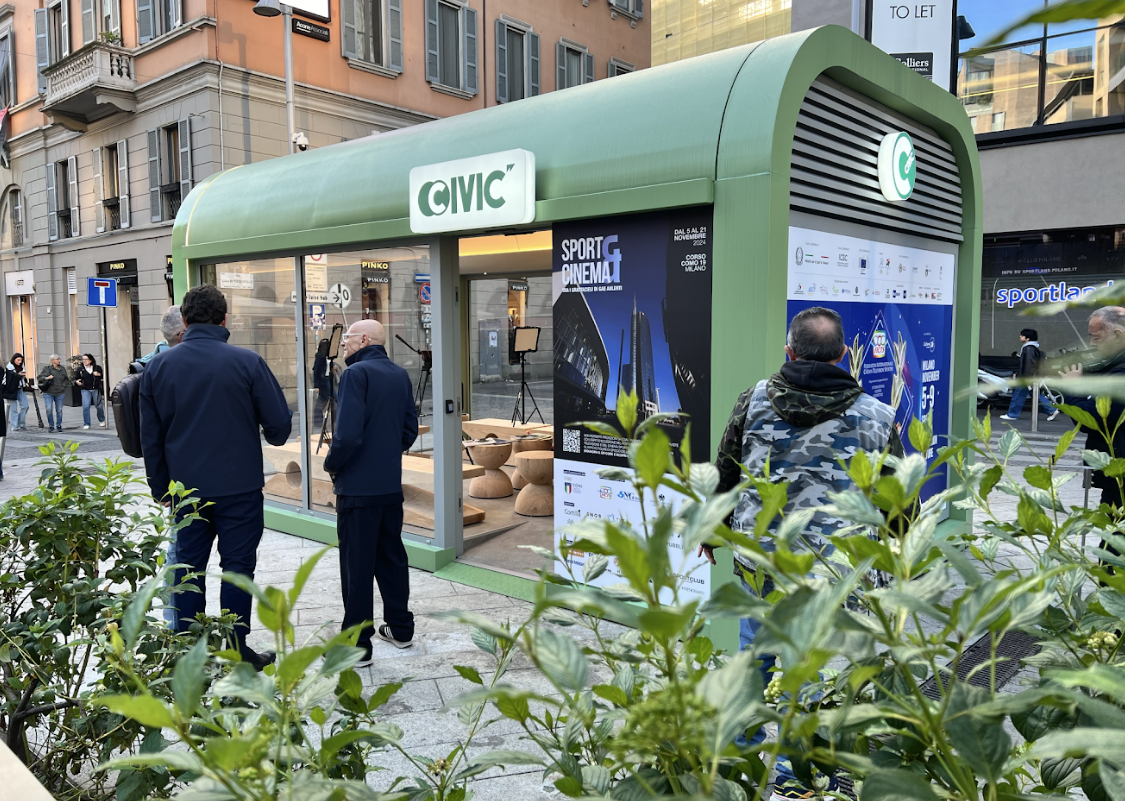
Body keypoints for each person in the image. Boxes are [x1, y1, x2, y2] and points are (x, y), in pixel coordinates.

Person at [700, 306, 901, 800]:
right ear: (844, 354)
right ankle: (798, 779)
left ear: (789, 351)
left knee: (755, 658)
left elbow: (726, 472)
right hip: (838, 570)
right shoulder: (877, 415)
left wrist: (709, 533)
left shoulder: (752, 402)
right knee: (815, 669)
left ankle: (739, 766)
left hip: (763, 564)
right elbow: (897, 501)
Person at [139, 284, 292, 669]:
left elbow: (150, 440)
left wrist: (162, 490)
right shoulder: (247, 363)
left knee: (188, 570)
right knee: (238, 570)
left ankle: (191, 656)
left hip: (185, 491)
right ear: (225, 320)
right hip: (239, 488)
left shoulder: (157, 367)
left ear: (185, 322)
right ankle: (237, 652)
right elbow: (279, 429)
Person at [323, 319, 418, 664]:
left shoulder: (355, 375)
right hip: (389, 486)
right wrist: (386, 451)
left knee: (357, 566)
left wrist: (331, 464)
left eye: (347, 339)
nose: (343, 345)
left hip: (358, 489)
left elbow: (346, 436)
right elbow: (409, 429)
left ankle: (358, 646)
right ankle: (401, 628)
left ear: (364, 340)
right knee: (392, 557)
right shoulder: (399, 375)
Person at [1059, 307, 1125, 507]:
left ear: (1117, 335)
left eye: (1096, 338)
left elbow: (1093, 419)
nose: (1092, 344)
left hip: (1119, 474)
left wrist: (1073, 388)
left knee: (1114, 536)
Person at [1000, 328, 1059, 422]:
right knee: (1036, 394)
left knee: (1018, 395)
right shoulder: (1032, 348)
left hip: (1027, 377)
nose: (1020, 336)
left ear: (1028, 338)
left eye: (1022, 335)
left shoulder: (1028, 349)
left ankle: (1012, 414)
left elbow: (1028, 364)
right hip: (1032, 377)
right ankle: (1051, 410)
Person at [37, 355, 70, 433]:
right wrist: (47, 378)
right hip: (48, 392)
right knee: (49, 409)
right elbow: (39, 377)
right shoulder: (47, 369)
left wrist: (63, 386)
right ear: (52, 360)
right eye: (57, 359)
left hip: (60, 392)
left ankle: (59, 425)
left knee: (59, 410)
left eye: (59, 359)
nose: (59, 360)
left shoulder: (62, 368)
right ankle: (51, 425)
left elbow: (66, 379)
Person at [74, 354, 106, 430]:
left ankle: (102, 419)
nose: (84, 361)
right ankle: (87, 423)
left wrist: (99, 374)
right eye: (83, 359)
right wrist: (77, 382)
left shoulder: (97, 368)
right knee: (86, 406)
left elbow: (103, 377)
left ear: (90, 360)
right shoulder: (80, 369)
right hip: (85, 389)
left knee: (99, 406)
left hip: (95, 388)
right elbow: (76, 378)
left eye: (86, 359)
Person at [4, 353, 29, 431]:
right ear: (14, 359)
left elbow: (23, 379)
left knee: (25, 406)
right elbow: (9, 378)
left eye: (21, 360)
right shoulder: (9, 368)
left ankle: (20, 422)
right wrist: (18, 375)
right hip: (11, 390)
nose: (20, 362)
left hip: (20, 388)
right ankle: (15, 425)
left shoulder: (21, 367)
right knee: (13, 408)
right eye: (18, 360)